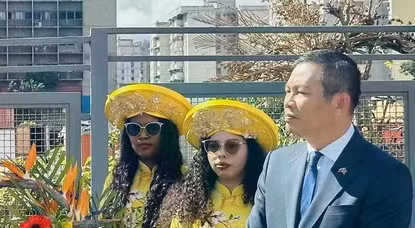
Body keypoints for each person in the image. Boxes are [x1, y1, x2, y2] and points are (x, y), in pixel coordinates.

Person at [248, 50, 413, 228]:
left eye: (301, 92)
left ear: (340, 102)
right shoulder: (276, 163)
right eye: (287, 91)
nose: (288, 101)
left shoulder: (385, 174)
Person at [157, 100, 279, 228]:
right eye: (213, 146)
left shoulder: (269, 201)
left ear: (251, 150)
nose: (221, 154)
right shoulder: (187, 203)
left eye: (231, 146)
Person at [104, 84, 192, 228]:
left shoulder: (185, 179)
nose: (143, 136)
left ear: (167, 134)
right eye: (134, 129)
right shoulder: (116, 178)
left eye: (152, 128)